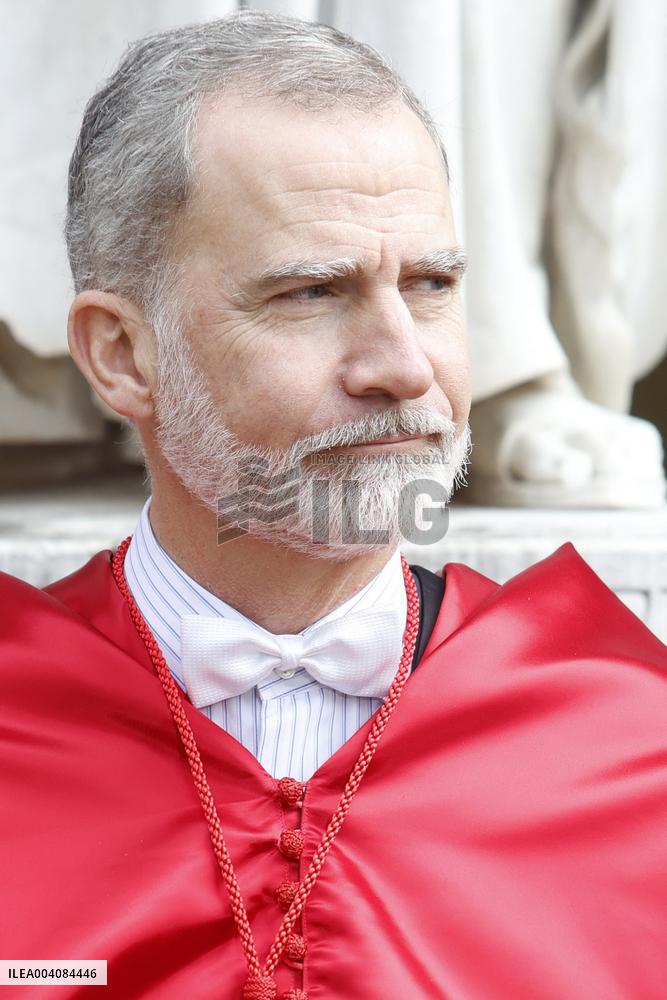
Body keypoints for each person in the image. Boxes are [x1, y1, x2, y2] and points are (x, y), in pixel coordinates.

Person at [1, 11, 666, 1000]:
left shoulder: (632, 739)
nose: (404, 367)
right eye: (312, 292)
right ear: (122, 356)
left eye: (433, 284)